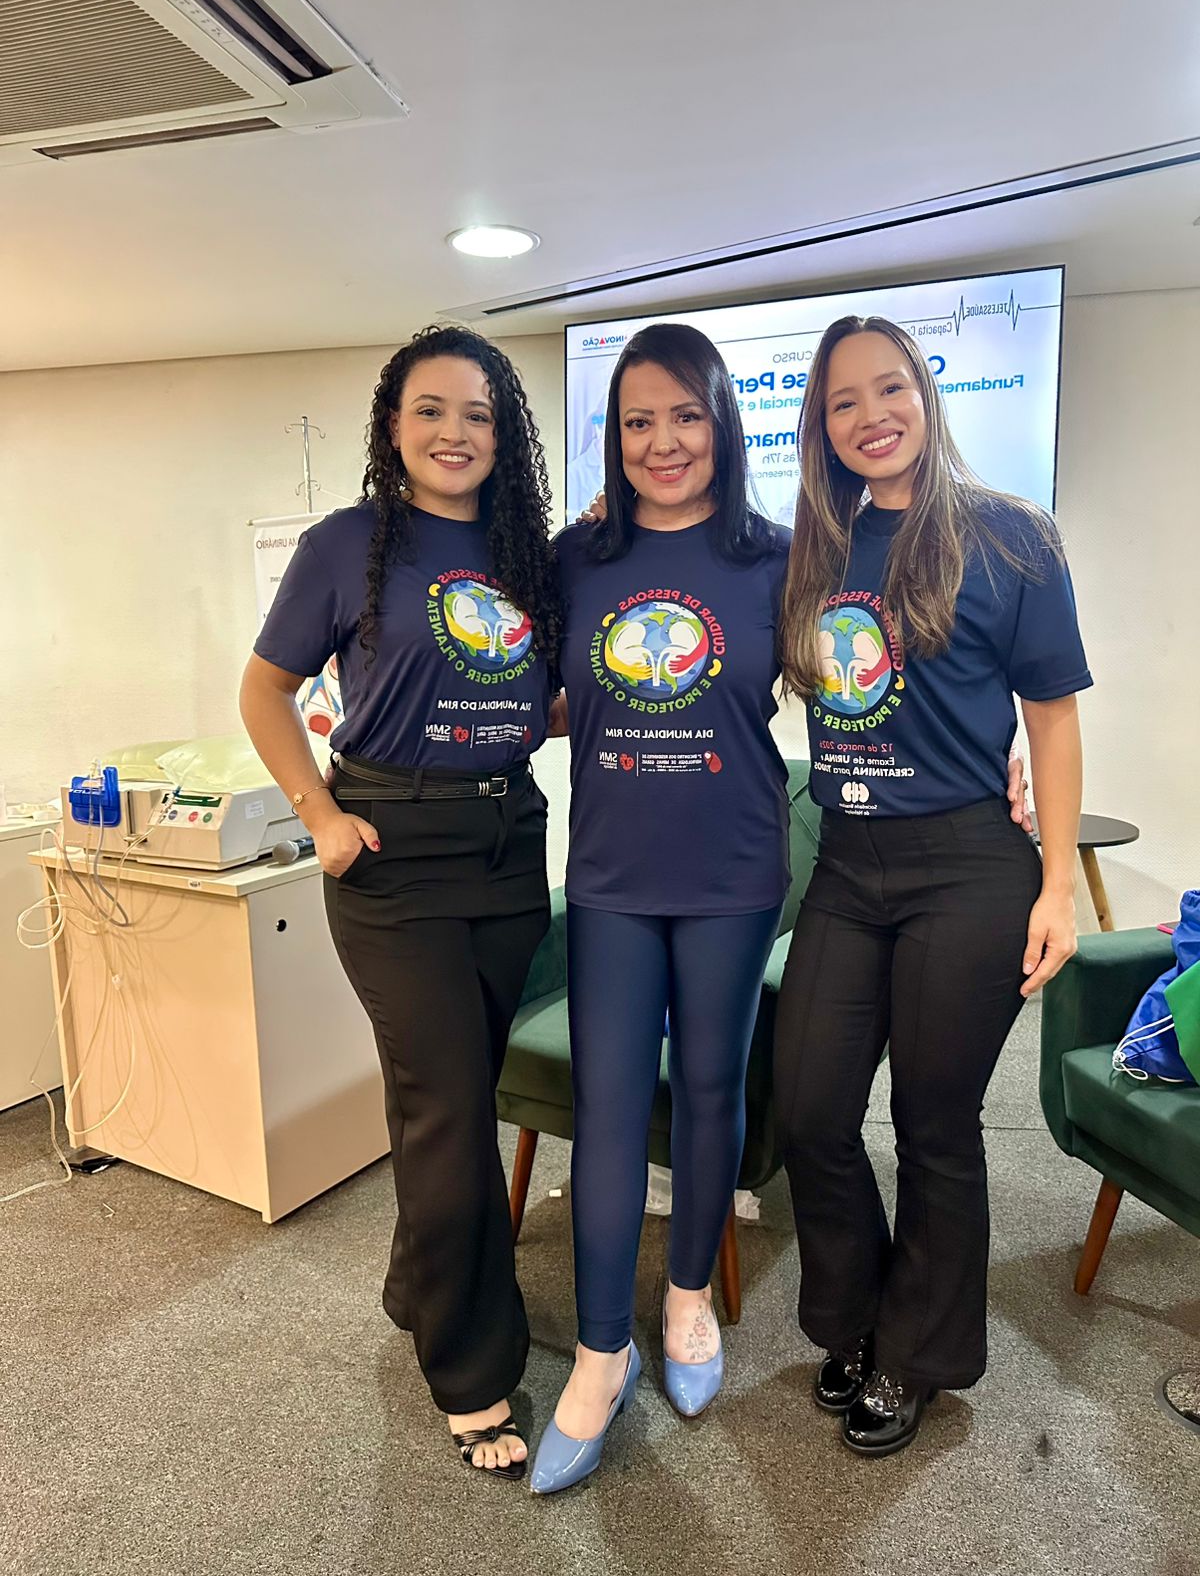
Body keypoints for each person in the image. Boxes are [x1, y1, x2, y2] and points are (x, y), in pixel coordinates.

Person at [240, 325, 561, 1481]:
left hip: (507, 846)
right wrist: (317, 814)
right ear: (392, 424)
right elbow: (265, 691)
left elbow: (542, 699)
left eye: (478, 413)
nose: (454, 432)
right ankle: (473, 1374)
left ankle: (415, 1281)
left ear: (503, 435)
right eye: (431, 409)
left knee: (447, 1096)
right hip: (390, 851)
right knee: (448, 1106)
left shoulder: (530, 554)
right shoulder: (347, 543)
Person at [773, 314, 1090, 1457]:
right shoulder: (810, 552)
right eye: (843, 400)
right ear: (820, 426)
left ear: (927, 393)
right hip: (848, 864)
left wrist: (1057, 885)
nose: (872, 415)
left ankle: (915, 1353)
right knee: (810, 1108)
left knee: (934, 1122)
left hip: (968, 868)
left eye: (891, 387)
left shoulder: (1012, 536)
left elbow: (1052, 722)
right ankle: (854, 1315)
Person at [529, 323, 793, 1494]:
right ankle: (602, 1351)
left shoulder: (780, 557)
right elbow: (524, 687)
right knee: (607, 1104)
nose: (663, 440)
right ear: (614, 436)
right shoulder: (577, 558)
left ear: (723, 421)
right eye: (638, 420)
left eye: (685, 415)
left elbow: (872, 673)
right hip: (614, 878)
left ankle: (688, 1300)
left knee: (711, 1090)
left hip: (735, 871)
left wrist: (1004, 760)